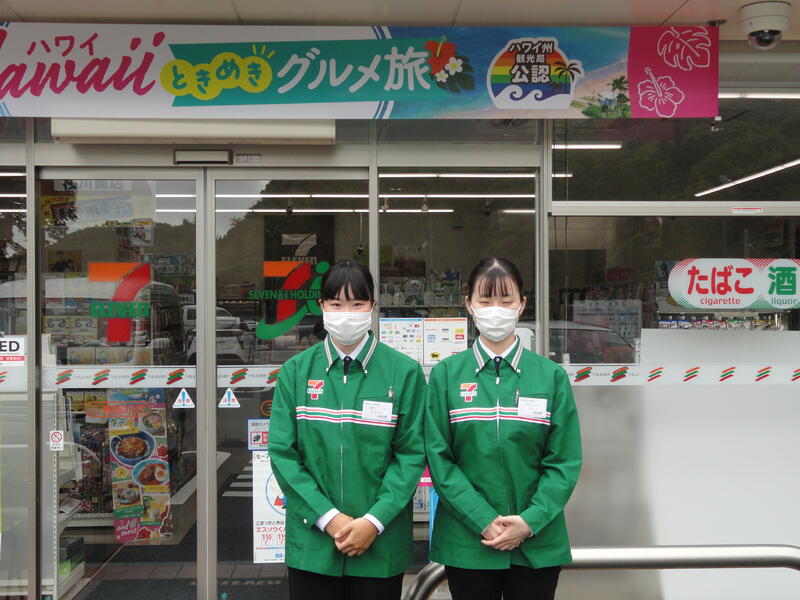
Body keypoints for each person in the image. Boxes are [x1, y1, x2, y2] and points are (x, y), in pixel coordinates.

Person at [425, 257, 582, 600]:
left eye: (506, 300)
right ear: (468, 305)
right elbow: (440, 459)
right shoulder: (447, 376)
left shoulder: (550, 377)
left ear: (522, 305)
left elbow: (564, 461)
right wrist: (483, 518)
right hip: (469, 541)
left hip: (536, 541)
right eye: (485, 300)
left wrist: (529, 521)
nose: (495, 309)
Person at [269, 260, 426, 600]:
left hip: (379, 543)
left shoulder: (404, 373)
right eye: (337, 304)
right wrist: (329, 518)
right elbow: (283, 454)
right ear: (322, 306)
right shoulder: (295, 372)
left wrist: (374, 520)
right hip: (314, 543)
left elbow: (411, 454)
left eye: (357, 304)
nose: (347, 313)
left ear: (372, 307)